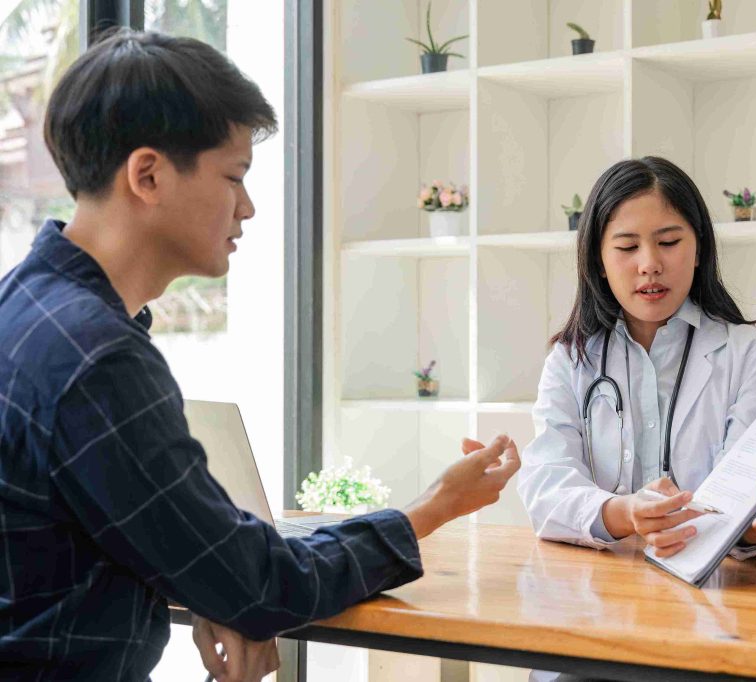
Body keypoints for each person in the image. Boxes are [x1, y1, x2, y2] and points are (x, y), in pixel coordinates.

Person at [0, 30, 519, 682]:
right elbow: (263, 583)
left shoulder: (26, 311)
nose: (247, 208)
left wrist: (213, 581)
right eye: (234, 177)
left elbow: (192, 555)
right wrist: (434, 507)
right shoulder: (96, 358)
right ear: (148, 174)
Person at [514, 156, 756, 560]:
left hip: (713, 596)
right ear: (598, 260)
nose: (650, 264)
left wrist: (754, 531)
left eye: (668, 242)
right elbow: (545, 490)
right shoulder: (571, 360)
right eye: (628, 246)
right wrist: (625, 513)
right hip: (599, 595)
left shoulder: (752, 355)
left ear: (699, 248)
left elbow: (742, 499)